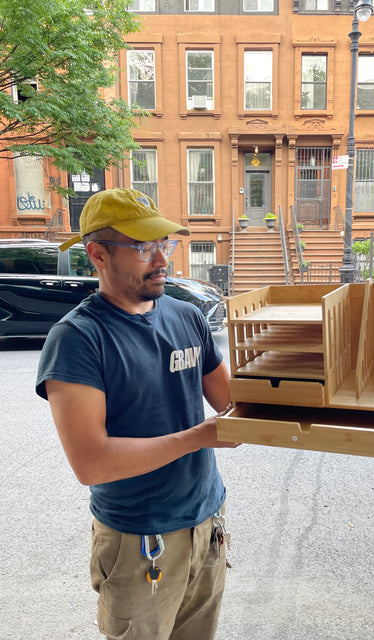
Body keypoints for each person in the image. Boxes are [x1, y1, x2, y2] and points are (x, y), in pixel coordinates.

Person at [35, 188, 237, 640]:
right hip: (139, 540)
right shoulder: (78, 339)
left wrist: (294, 366)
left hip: (206, 522)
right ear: (98, 255)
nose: (162, 259)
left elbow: (230, 402)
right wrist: (198, 436)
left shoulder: (187, 317)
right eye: (145, 247)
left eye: (164, 244)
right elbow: (91, 462)